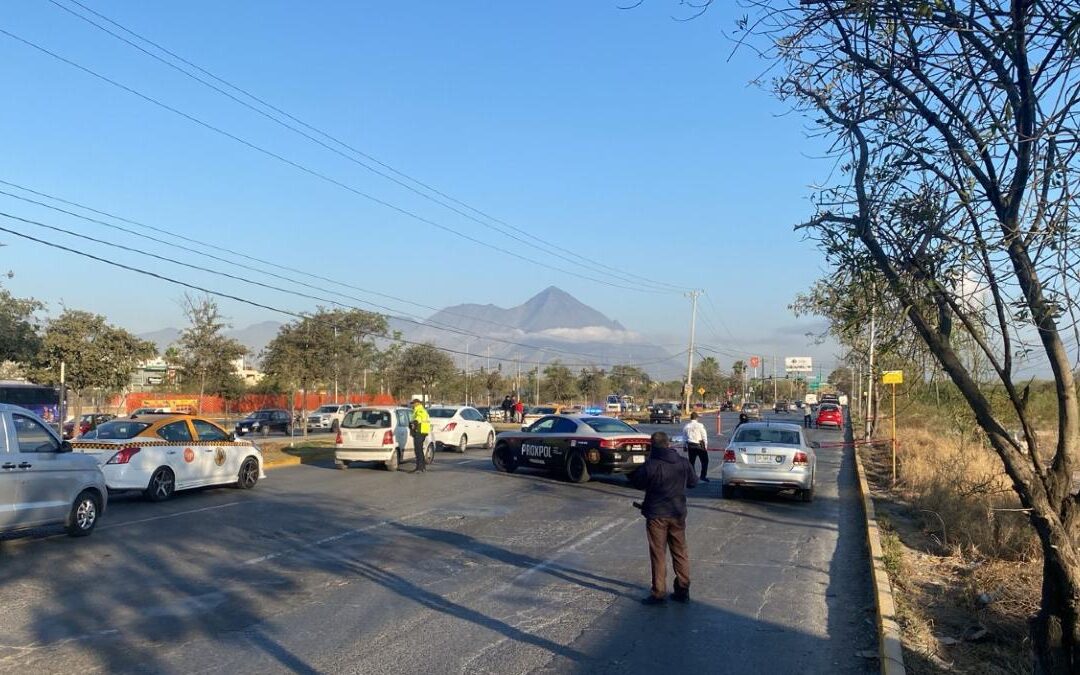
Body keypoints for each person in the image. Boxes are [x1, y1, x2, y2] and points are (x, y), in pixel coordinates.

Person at [629, 431, 698, 605]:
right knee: (680, 552)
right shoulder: (682, 462)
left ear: (653, 446)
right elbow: (693, 482)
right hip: (677, 513)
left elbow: (637, 482)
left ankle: (659, 593)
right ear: (668, 444)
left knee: (658, 554)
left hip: (656, 515)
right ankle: (683, 589)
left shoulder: (651, 465)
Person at [682, 412, 710, 482]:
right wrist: (705, 446)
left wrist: (684, 446)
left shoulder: (686, 426)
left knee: (692, 462)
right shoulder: (700, 425)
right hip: (700, 445)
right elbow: (704, 436)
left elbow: (684, 437)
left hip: (690, 445)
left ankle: (693, 477)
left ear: (690, 418)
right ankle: (703, 476)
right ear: (697, 418)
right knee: (705, 461)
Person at [408, 398, 431, 473]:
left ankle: (419, 468)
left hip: (420, 431)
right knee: (419, 450)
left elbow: (419, 418)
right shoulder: (418, 410)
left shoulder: (420, 410)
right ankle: (422, 467)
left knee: (418, 450)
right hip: (421, 432)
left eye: (413, 403)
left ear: (417, 403)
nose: (412, 405)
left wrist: (414, 422)